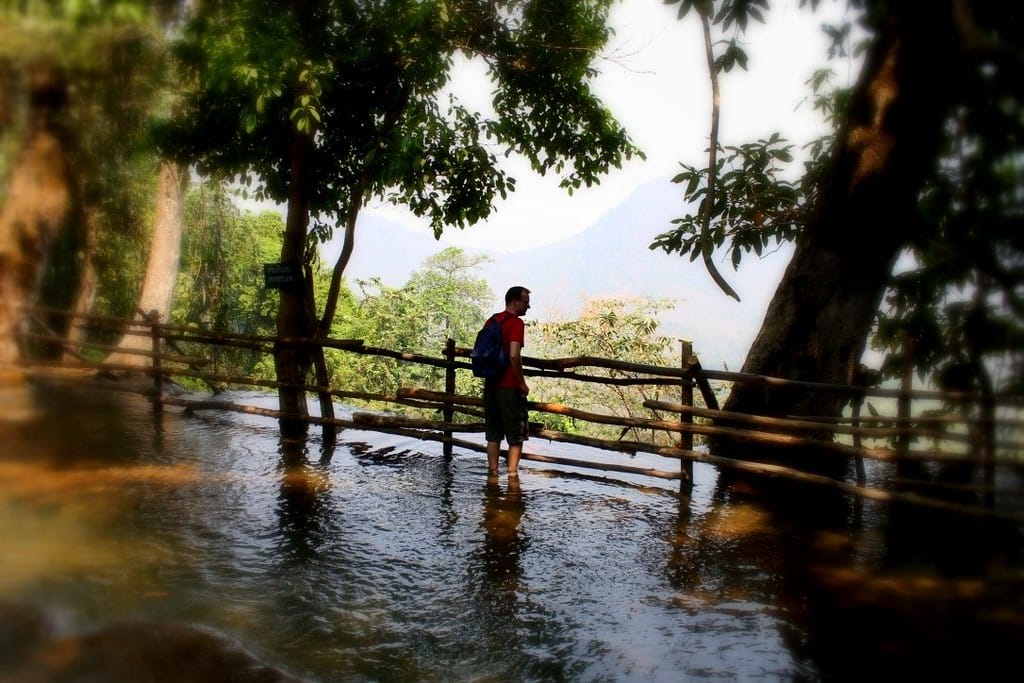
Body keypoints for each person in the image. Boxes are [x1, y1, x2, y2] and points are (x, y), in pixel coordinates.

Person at [484, 286, 531, 479]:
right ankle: (512, 480)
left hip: (491, 385)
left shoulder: (492, 321)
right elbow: (514, 355)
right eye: (525, 303)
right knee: (515, 436)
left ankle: (493, 476)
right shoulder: (516, 324)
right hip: (509, 387)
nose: (528, 307)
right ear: (514, 301)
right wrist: (521, 383)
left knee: (493, 435)